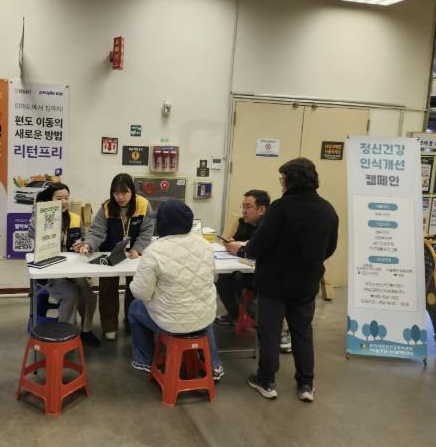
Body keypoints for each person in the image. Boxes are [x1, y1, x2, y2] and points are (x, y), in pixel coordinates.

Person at [229, 158, 338, 402]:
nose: (281, 184)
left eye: (282, 179)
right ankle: (306, 384)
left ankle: (266, 380)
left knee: (270, 332)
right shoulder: (327, 209)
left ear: (290, 180)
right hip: (306, 282)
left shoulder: (280, 208)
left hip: (274, 282)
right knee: (302, 332)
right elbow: (330, 247)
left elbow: (259, 245)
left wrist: (241, 250)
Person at [127, 199, 224, 380]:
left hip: (171, 323)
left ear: (163, 224)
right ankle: (214, 365)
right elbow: (213, 277)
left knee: (134, 308)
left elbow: (141, 293)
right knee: (198, 312)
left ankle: (144, 360)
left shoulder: (154, 250)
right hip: (205, 317)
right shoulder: (204, 244)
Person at [78, 173, 153, 340]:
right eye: (116, 192)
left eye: (124, 192)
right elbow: (96, 231)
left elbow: (147, 231)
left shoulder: (143, 205)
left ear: (132, 191)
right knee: (107, 290)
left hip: (134, 255)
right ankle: (109, 326)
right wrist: (88, 244)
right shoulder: (107, 207)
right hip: (110, 253)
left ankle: (132, 322)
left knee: (135, 289)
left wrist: (139, 248)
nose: (120, 197)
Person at [29, 182, 100, 347]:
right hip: (51, 274)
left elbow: (84, 238)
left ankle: (86, 331)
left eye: (66, 198)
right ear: (50, 200)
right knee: (71, 293)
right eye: (59, 198)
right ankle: (67, 333)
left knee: (88, 294)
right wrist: (37, 211)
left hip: (72, 270)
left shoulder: (75, 218)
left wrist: (82, 244)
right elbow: (32, 233)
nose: (64, 202)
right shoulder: (41, 217)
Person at [215, 189, 270, 326]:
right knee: (223, 280)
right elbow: (237, 239)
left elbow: (258, 250)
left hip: (263, 271)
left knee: (237, 279)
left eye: (248, 207)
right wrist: (232, 242)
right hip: (244, 265)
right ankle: (235, 315)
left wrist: (239, 248)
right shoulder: (245, 222)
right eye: (243, 206)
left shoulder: (269, 226)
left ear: (262, 210)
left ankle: (260, 319)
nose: (244, 211)